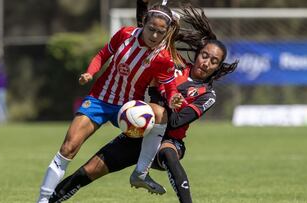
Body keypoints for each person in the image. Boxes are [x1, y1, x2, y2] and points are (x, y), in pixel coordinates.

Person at [48, 4, 238, 203]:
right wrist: (143, 4)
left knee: (168, 154)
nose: (206, 63)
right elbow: (145, 28)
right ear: (198, 54)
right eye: (204, 56)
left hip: (169, 140)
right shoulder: (173, 64)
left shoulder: (208, 94)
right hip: (140, 132)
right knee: (88, 171)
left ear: (218, 68)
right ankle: (48, 201)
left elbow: (176, 122)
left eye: (214, 61)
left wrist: (160, 104)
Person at [36, 4, 184, 203]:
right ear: (143, 23)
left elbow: (169, 85)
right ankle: (43, 199)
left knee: (159, 113)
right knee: (68, 148)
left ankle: (141, 171)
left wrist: (173, 95)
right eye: (152, 29)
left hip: (128, 109)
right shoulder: (124, 34)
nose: (155, 36)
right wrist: (90, 72)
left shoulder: (163, 57)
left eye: (161, 32)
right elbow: (103, 55)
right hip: (99, 100)